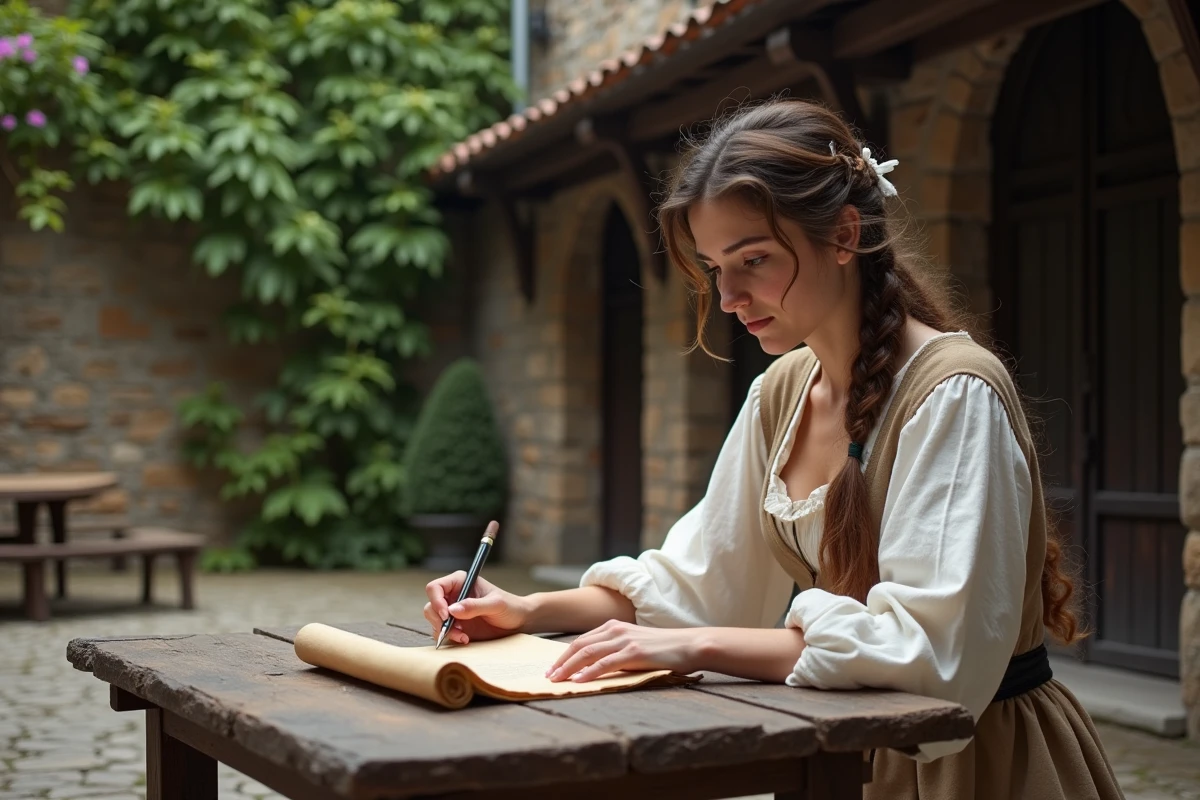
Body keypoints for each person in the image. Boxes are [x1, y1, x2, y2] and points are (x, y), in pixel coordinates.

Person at [422, 99, 1124, 799]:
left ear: (844, 234)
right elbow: (700, 585)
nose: (728, 296)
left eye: (753, 260)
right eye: (714, 266)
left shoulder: (953, 396)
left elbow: (932, 659)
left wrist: (693, 648)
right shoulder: (781, 395)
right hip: (841, 760)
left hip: (978, 767)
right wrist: (524, 611)